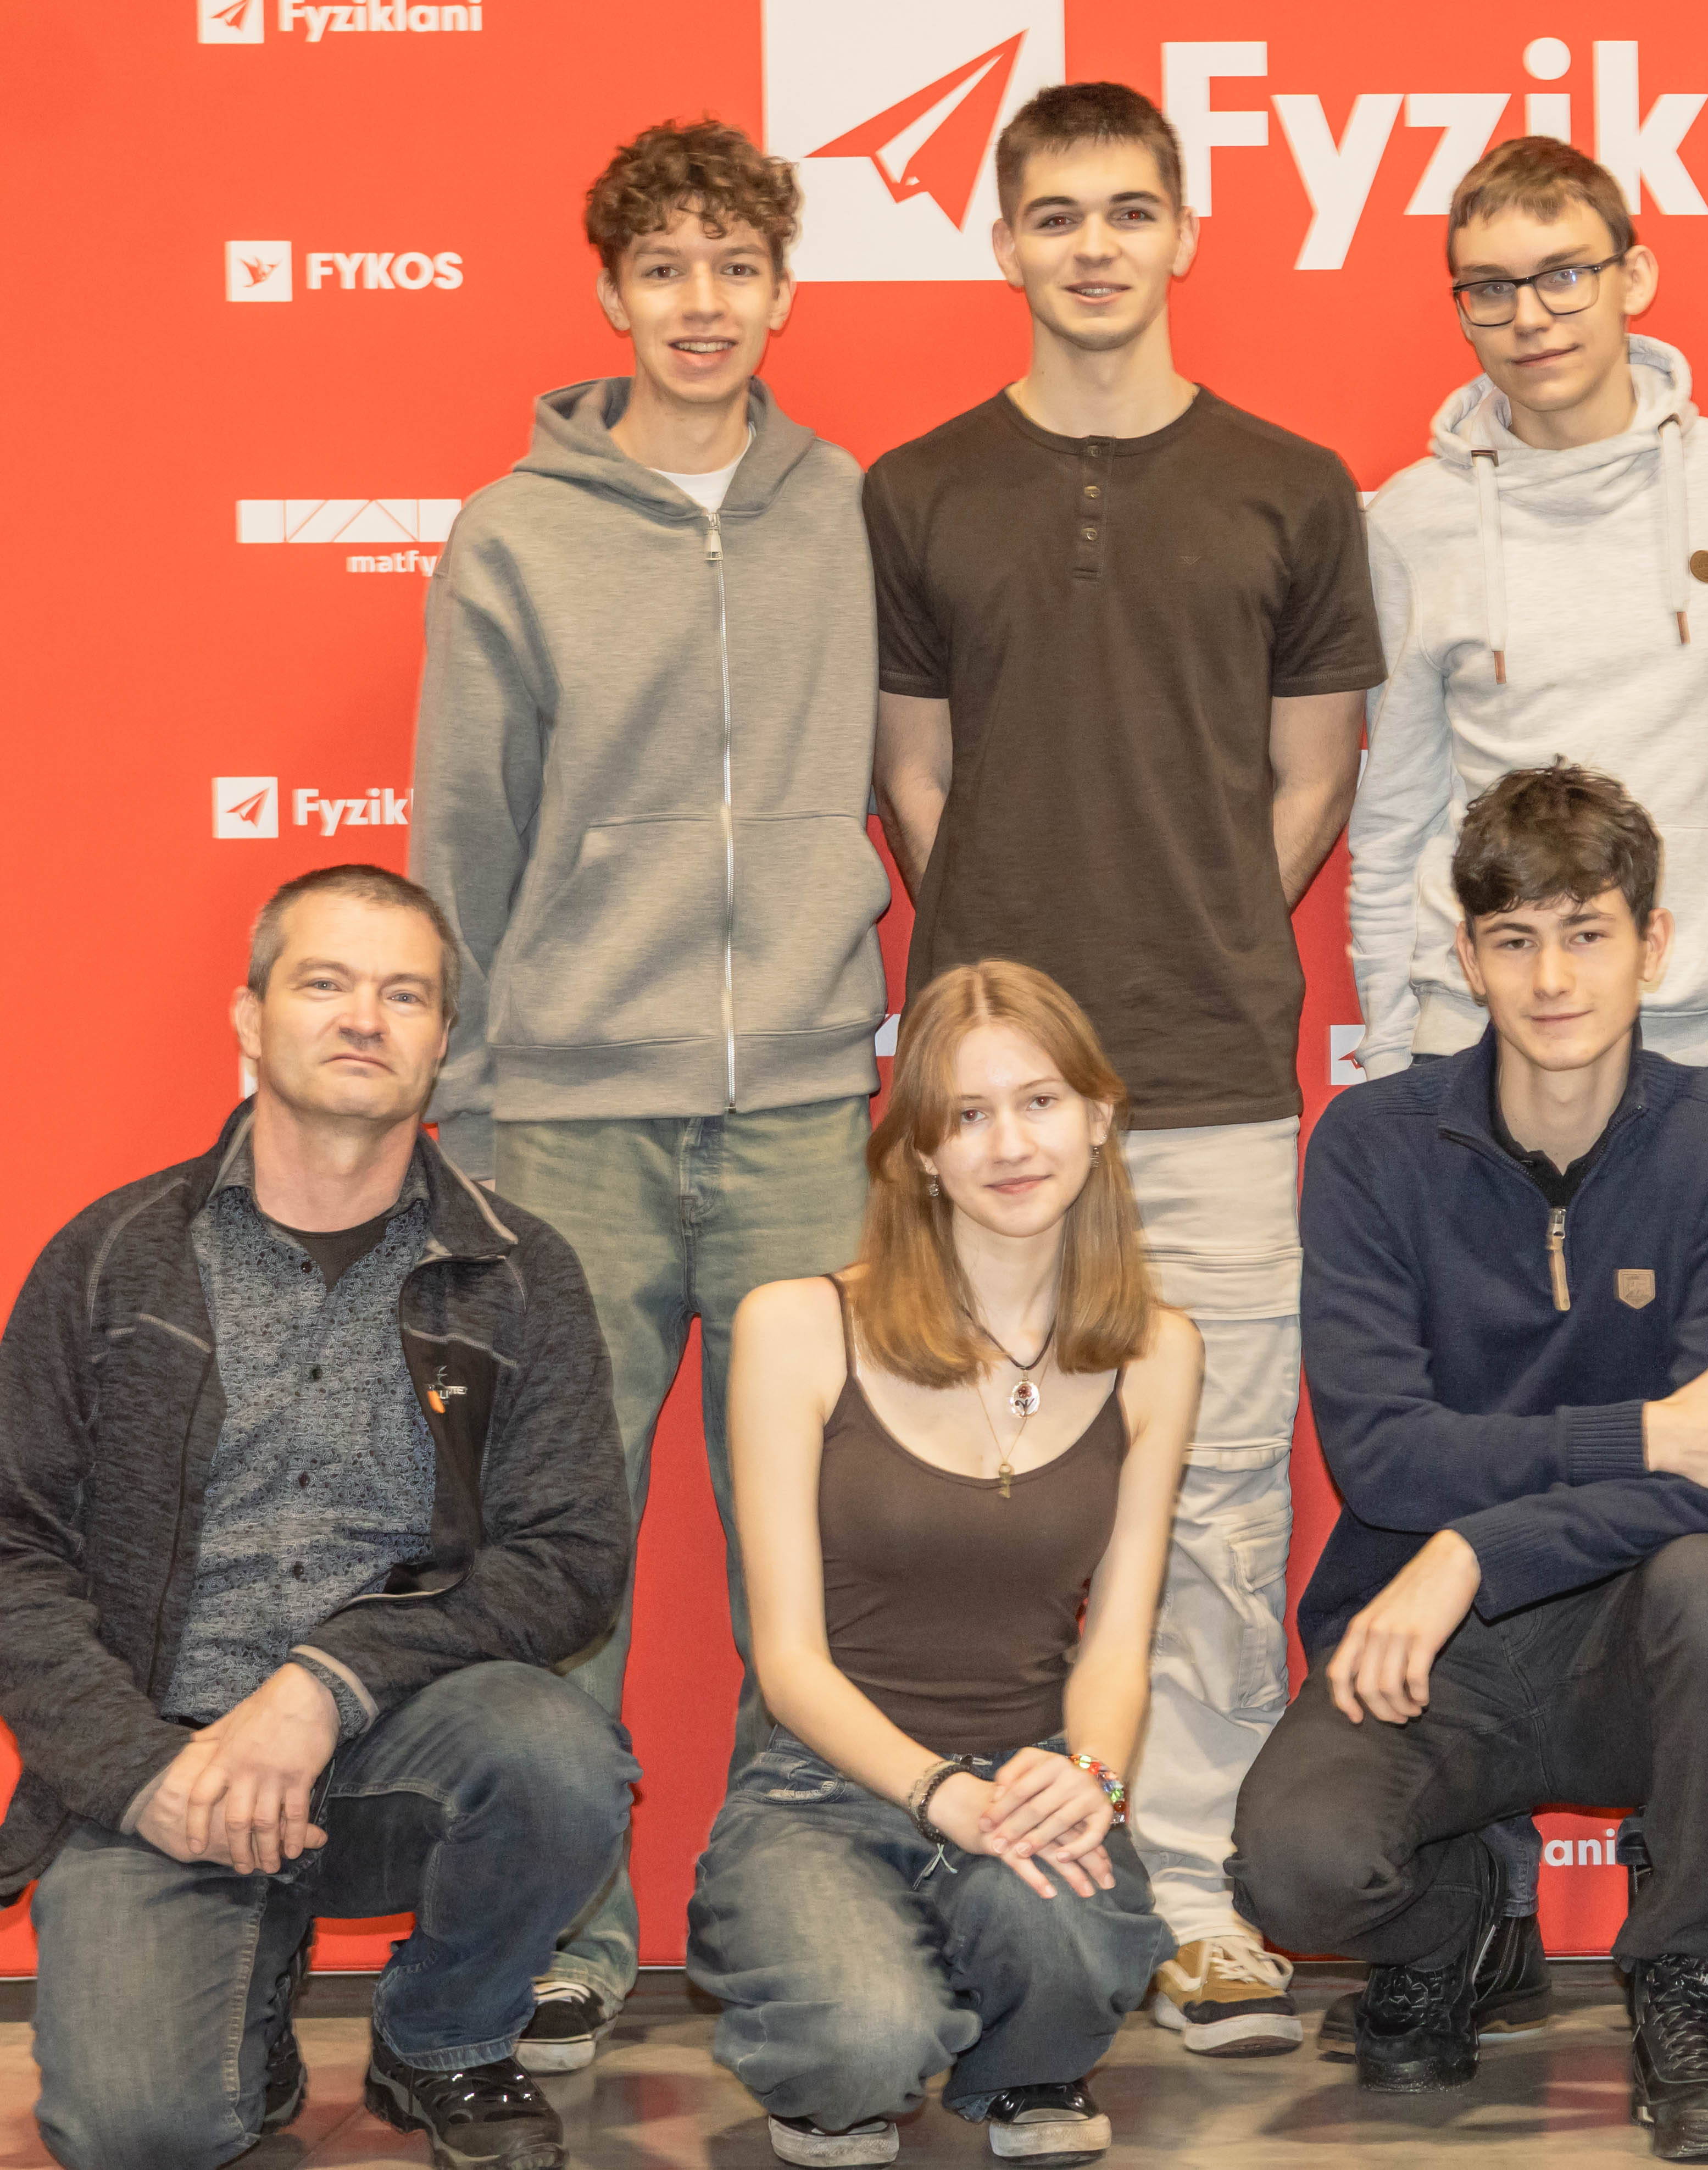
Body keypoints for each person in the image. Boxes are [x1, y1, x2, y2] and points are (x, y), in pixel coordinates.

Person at [866, 80, 1384, 2057]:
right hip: (984, 1107)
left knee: (1221, 1494)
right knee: (966, 1491)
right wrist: (1014, 1017)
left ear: (1185, 233)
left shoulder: (1290, 484)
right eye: (1056, 213)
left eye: (1128, 211)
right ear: (1003, 240)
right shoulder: (918, 488)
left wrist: (1205, 923)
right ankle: (987, 1878)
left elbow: (1311, 773)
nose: (1094, 246)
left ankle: (1192, 1893)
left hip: (1215, 1074)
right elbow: (914, 773)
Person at [409, 116, 888, 2065]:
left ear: (784, 290)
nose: (704, 302)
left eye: (736, 266)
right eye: (667, 268)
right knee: (563, 1550)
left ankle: (790, 1906)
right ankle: (565, 1929)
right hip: (569, 1120)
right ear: (610, 292)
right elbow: (462, 829)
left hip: (800, 1109)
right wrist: (460, 1106)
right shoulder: (513, 533)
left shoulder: (845, 507)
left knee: (814, 1539)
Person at [0, 867, 636, 2170]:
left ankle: (443, 2036)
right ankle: (245, 2003)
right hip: (170, 1763)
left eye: (404, 994)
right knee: (136, 2133)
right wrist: (138, 1771)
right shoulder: (112, 1256)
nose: (364, 1018)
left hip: (400, 1740)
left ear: (442, 1038)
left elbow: (569, 1558)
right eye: (326, 983)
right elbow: (13, 1548)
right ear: (250, 1016)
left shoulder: (519, 1273)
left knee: (560, 1756)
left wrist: (324, 1683)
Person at [1233, 765, 1708, 2158]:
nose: (1552, 979)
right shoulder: (1372, 1145)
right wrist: (1641, 1433)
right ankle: (1462, 1928)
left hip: (1633, 1641)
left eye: (1587, 932)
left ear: (1653, 945)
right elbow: (1384, 1458)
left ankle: (1686, 1982)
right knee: (1296, 1872)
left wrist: (1476, 1544)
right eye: (1515, 939)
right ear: (1467, 955)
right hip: (1429, 1649)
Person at [689, 961, 1194, 2167]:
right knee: (859, 2048)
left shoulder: (1157, 1349)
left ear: (1098, 1117)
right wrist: (935, 1794)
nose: (1009, 1144)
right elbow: (788, 1659)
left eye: (1040, 1101)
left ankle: (1017, 2049)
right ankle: (861, 2014)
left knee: (1067, 1970)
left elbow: (1116, 1645)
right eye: (967, 1115)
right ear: (920, 1150)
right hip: (824, 1784)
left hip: (1028, 1776)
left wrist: (1090, 1778)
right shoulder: (796, 1325)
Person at [1348, 132, 1708, 1091]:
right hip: (1478, 1041)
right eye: (1491, 289)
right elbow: (1393, 821)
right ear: (1464, 312)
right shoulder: (1413, 521)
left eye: (1564, 276)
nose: (1530, 317)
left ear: (1635, 277)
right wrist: (1389, 1058)